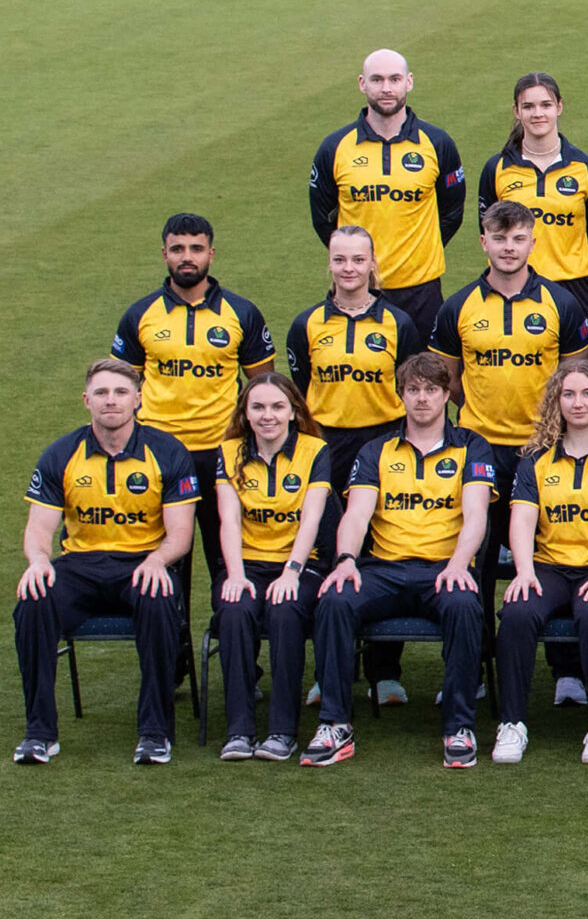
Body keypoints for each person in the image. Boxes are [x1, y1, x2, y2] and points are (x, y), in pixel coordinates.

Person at [306, 357, 496, 769]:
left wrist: (460, 564)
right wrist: (345, 560)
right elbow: (357, 515)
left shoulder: (472, 446)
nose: (422, 398)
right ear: (401, 396)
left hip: (443, 568)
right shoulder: (376, 450)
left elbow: (476, 514)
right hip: (384, 569)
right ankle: (334, 724)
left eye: (431, 390)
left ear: (446, 395)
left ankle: (459, 727)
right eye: (413, 390)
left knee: (465, 606)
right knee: (335, 599)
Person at [13, 359, 200, 765]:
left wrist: (158, 561)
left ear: (138, 399)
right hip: (80, 567)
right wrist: (38, 561)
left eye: (119, 392)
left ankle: (155, 734)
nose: (110, 401)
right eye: (101, 393)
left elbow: (181, 534)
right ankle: (39, 734)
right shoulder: (61, 453)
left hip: (143, 564)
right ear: (86, 400)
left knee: (158, 601)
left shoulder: (167, 452)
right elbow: (39, 527)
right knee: (32, 602)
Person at [431, 200, 588, 616]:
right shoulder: (458, 306)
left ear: (532, 244)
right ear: (483, 242)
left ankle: (557, 655)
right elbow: (447, 380)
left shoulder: (561, 304)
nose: (509, 247)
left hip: (543, 449)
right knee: (479, 557)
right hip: (479, 449)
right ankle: (481, 649)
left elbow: (576, 379)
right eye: (500, 238)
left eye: (518, 238)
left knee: (552, 555)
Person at [283, 224, 426, 703]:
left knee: (381, 548)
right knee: (329, 552)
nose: (349, 268)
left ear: (372, 264)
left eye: (358, 259)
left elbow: (412, 387)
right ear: (329, 263)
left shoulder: (399, 324)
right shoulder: (306, 324)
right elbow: (301, 388)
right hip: (326, 447)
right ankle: (330, 671)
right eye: (340, 259)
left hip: (384, 444)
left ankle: (385, 672)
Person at [110, 212, 274, 598]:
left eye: (196, 248)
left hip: (222, 453)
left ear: (211, 254)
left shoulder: (241, 313)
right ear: (164, 254)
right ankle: (173, 640)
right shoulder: (140, 315)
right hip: (159, 453)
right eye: (178, 249)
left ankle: (232, 633)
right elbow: (120, 387)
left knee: (227, 554)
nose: (187, 257)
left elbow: (263, 387)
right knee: (164, 560)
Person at [495, 360, 588, 766]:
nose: (578, 403)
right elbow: (522, 520)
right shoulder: (535, 458)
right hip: (550, 566)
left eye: (587, 394)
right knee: (517, 612)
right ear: (556, 401)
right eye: (568, 394)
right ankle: (511, 723)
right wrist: (524, 573)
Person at [209, 373, 332, 761]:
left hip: (300, 564)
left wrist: (291, 572)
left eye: (278, 407)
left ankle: (282, 731)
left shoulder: (314, 449)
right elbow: (229, 520)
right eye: (258, 407)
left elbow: (312, 519)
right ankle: (239, 731)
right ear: (245, 413)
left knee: (284, 609)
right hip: (245, 563)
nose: (268, 416)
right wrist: (235, 575)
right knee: (234, 610)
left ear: (294, 411)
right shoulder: (228, 451)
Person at [309, 48, 466, 333]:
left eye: (394, 79)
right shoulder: (335, 147)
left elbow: (452, 213)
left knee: (424, 364)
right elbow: (322, 218)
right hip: (358, 290)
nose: (386, 88)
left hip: (422, 292)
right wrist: (354, 260)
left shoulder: (437, 143)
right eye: (377, 79)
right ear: (362, 84)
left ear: (409, 82)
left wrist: (420, 250)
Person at [479, 72, 588, 308]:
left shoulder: (586, 169)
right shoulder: (497, 168)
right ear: (517, 111)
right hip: (513, 286)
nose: (537, 113)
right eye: (528, 106)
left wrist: (568, 263)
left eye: (546, 105)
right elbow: (488, 229)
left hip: (574, 288)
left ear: (559, 107)